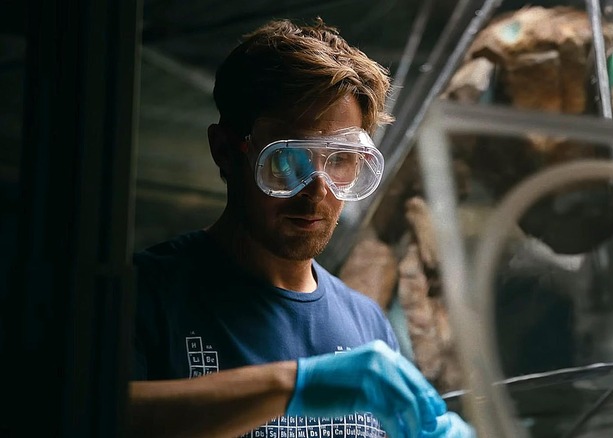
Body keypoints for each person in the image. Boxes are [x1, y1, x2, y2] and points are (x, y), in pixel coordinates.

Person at [127, 17, 475, 438]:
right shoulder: (144, 294)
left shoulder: (367, 324)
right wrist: (291, 385)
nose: (317, 192)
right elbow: (78, 415)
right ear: (225, 151)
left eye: (341, 160)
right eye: (288, 161)